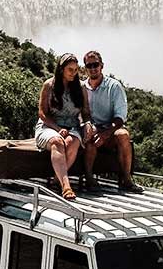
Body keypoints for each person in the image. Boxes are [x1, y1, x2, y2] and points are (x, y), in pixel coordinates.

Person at [81, 50, 143, 193]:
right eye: (89, 65)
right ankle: (89, 178)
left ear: (102, 65)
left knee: (123, 135)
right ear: (85, 68)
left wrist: (106, 133)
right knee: (89, 134)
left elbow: (120, 117)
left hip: (111, 128)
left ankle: (126, 180)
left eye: (95, 64)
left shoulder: (114, 86)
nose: (93, 68)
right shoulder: (82, 87)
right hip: (91, 126)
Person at [36, 53, 92, 201]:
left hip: (72, 126)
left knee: (71, 142)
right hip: (49, 126)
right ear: (61, 70)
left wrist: (87, 124)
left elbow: (85, 112)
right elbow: (42, 113)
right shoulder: (49, 85)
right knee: (57, 142)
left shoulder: (81, 87)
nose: (74, 73)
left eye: (76, 70)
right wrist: (56, 128)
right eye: (70, 70)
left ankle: (57, 179)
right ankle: (66, 186)